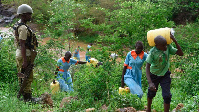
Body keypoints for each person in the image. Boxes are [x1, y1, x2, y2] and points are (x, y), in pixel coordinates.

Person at [145, 34, 183, 112]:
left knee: (167, 96)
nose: (165, 47)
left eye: (166, 45)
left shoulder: (168, 47)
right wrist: (150, 82)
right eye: (163, 46)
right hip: (154, 74)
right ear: (157, 45)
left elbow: (181, 53)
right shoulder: (152, 52)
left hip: (165, 74)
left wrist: (175, 41)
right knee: (151, 93)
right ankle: (148, 109)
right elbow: (147, 67)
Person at [13, 4, 38, 102]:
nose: (30, 16)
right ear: (23, 15)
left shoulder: (19, 24)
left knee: (22, 75)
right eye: (29, 14)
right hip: (25, 54)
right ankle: (27, 98)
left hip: (22, 53)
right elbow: (22, 44)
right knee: (27, 76)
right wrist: (25, 61)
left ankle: (24, 96)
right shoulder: (23, 28)